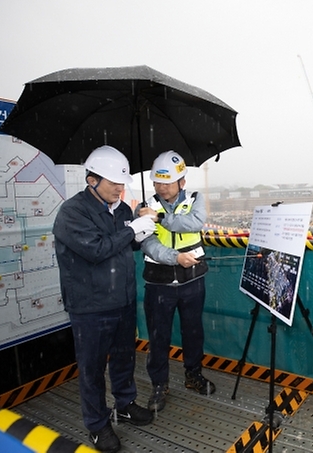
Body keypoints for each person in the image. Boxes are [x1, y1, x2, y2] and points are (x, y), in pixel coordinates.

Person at [53, 145, 157, 453]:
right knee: (92, 368)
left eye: (122, 183)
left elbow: (123, 246)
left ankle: (125, 404)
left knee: (125, 358)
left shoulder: (122, 209)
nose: (119, 189)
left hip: (122, 300)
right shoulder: (73, 213)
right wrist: (131, 231)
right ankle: (98, 425)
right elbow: (96, 249)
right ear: (91, 180)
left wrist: (138, 235)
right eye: (113, 183)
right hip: (91, 307)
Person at [136, 150, 216, 413]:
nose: (161, 187)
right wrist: (173, 258)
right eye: (157, 182)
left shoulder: (195, 199)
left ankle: (193, 375)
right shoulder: (144, 206)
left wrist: (159, 218)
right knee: (159, 337)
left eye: (167, 182)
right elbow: (146, 242)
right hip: (159, 283)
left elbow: (193, 223)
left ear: (182, 182)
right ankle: (159, 384)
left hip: (192, 280)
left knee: (193, 332)